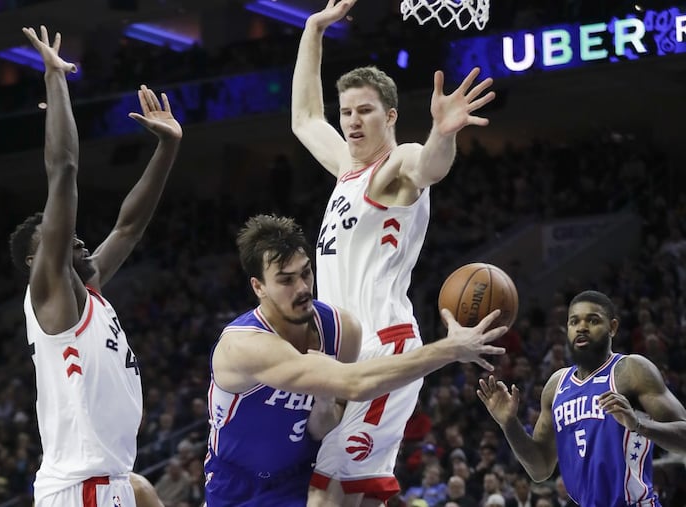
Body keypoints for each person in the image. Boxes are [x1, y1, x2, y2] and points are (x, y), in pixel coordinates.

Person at [290, 0, 496, 503]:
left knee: (328, 492)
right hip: (340, 348)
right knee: (339, 488)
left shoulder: (394, 164)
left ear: (391, 116)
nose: (353, 122)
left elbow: (427, 167)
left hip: (385, 344)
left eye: (365, 111)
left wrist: (442, 134)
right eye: (348, 113)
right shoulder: (346, 168)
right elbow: (304, 117)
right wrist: (313, 29)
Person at [204, 214, 506, 506]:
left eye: (305, 273)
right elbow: (357, 383)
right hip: (237, 484)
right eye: (285, 280)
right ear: (259, 287)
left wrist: (323, 401)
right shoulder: (243, 346)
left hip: (302, 475)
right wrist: (450, 349)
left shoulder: (342, 330)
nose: (302, 289)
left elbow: (323, 426)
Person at [8, 25, 182, 506]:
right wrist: (55, 76)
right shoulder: (53, 296)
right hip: (81, 490)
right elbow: (63, 170)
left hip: (106, 481)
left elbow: (129, 228)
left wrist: (167, 148)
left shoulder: (89, 293)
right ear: (36, 261)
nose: (78, 239)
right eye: (61, 239)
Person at [478, 290, 686, 507]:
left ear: (612, 327)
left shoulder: (631, 370)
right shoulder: (556, 385)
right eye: (574, 322)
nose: (582, 327)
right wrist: (509, 424)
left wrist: (638, 425)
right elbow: (540, 469)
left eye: (593, 320)